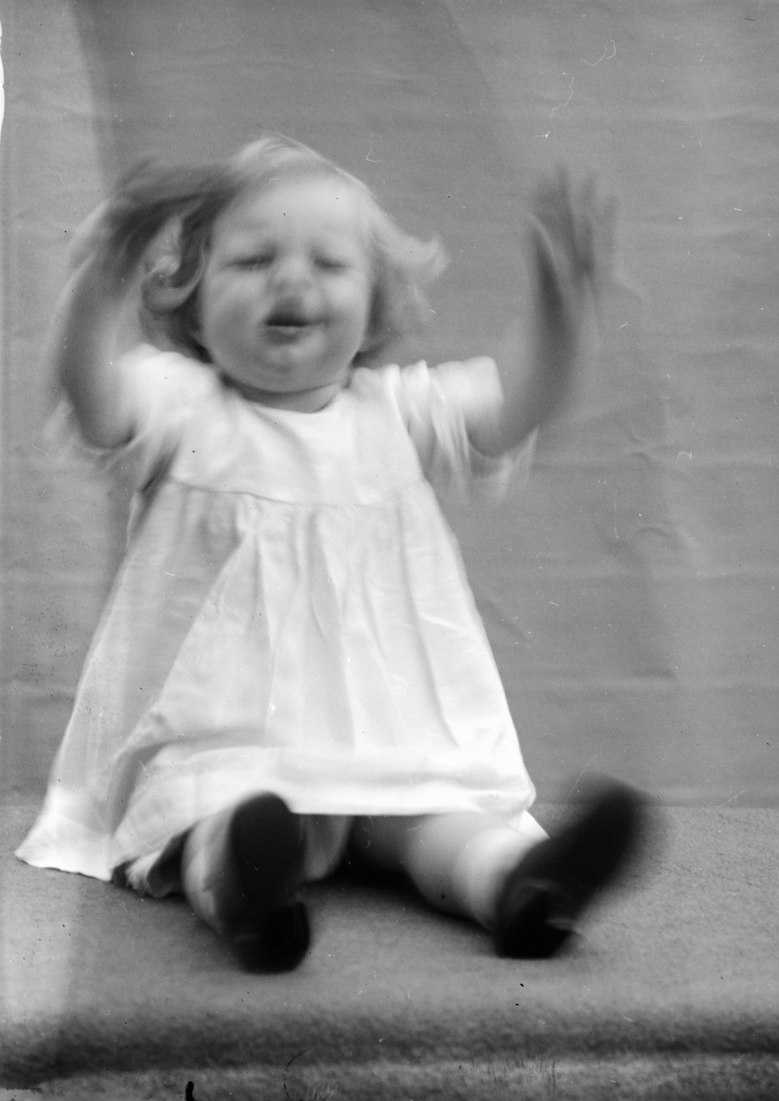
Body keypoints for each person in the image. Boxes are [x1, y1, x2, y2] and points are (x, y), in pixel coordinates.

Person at [17, 135, 645, 973]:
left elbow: (514, 402)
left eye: (329, 263)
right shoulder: (183, 406)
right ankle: (249, 887)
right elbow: (93, 402)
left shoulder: (400, 411)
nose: (292, 279)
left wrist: (563, 318)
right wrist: (96, 288)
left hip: (387, 739)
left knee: (439, 820)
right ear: (190, 301)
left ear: (377, 301)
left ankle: (520, 885)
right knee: (216, 813)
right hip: (226, 741)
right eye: (252, 259)